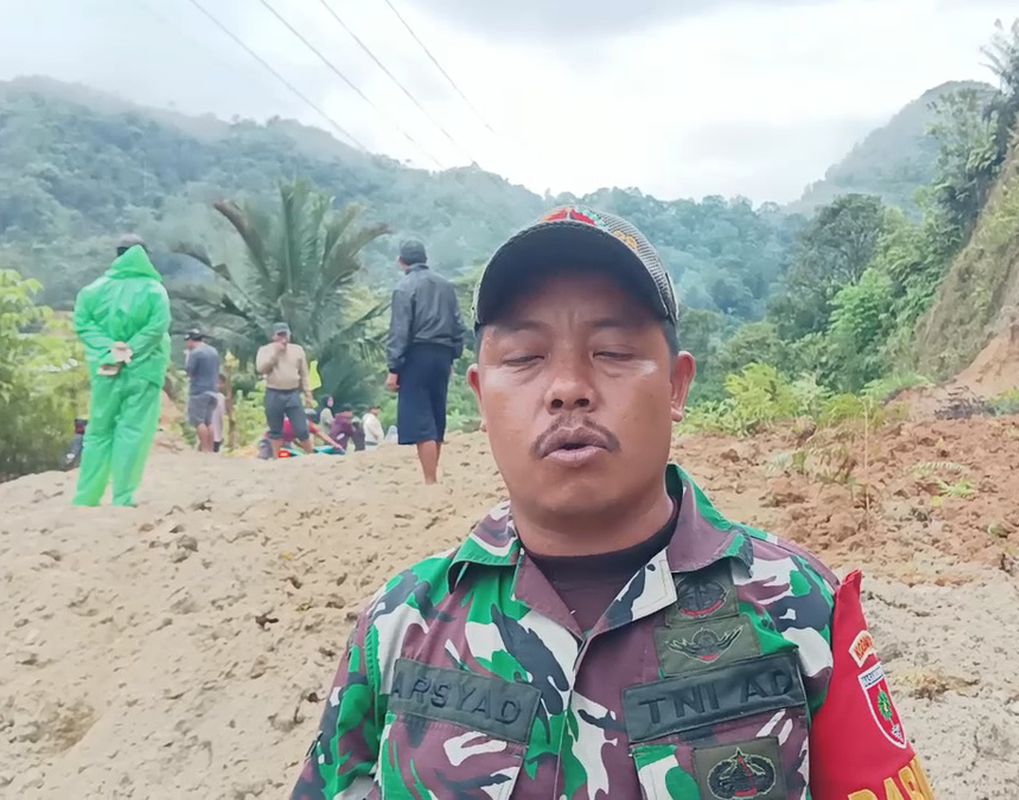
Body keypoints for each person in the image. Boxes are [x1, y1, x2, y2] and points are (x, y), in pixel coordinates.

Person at [292, 208, 932, 799]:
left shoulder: (801, 609)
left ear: (677, 385)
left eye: (614, 353)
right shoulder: (400, 626)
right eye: (526, 357)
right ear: (482, 397)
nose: (568, 388)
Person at [73, 234, 171, 507]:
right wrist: (130, 349)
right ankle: (123, 497)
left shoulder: (91, 291)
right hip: (143, 371)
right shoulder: (154, 291)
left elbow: (83, 324)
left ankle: (86, 497)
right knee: (133, 431)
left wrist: (110, 350)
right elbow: (157, 327)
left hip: (106, 370)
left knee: (98, 431)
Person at [385, 239, 466, 484]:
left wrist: (394, 368)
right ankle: (433, 474)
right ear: (425, 259)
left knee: (421, 419)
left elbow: (400, 330)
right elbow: (458, 325)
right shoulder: (445, 286)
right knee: (436, 413)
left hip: (416, 354)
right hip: (442, 354)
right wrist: (452, 356)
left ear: (401, 262)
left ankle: (430, 479)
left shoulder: (403, 288)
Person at [256, 323, 314, 456]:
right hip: (274, 392)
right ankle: (276, 457)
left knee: (301, 428)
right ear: (273, 336)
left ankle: (311, 455)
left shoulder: (297, 350)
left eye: (285, 335)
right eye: (280, 335)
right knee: (275, 429)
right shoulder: (265, 350)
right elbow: (261, 369)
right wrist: (275, 354)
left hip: (292, 392)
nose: (283, 338)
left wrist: (308, 393)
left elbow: (304, 373)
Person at [183, 329, 221, 453]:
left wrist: (187, 356)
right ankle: (211, 449)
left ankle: (204, 448)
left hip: (199, 391)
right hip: (213, 390)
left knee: (199, 421)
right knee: (208, 421)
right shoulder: (213, 351)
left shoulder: (195, 353)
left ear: (191, 340)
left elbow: (189, 371)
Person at [211, 374, 229, 453]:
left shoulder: (221, 397)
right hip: (215, 433)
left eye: (220, 383)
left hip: (216, 433)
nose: (218, 385)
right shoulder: (220, 397)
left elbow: (223, 415)